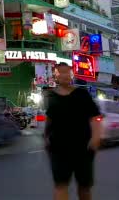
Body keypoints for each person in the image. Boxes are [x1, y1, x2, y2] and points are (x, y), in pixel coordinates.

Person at [45, 62, 101, 200]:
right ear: (55, 76)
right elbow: (49, 119)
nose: (64, 75)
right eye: (60, 72)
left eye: (67, 72)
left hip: (82, 148)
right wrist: (45, 137)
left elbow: (95, 117)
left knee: (84, 187)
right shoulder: (50, 96)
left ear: (71, 75)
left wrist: (96, 138)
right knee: (60, 185)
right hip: (58, 149)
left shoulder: (82, 94)